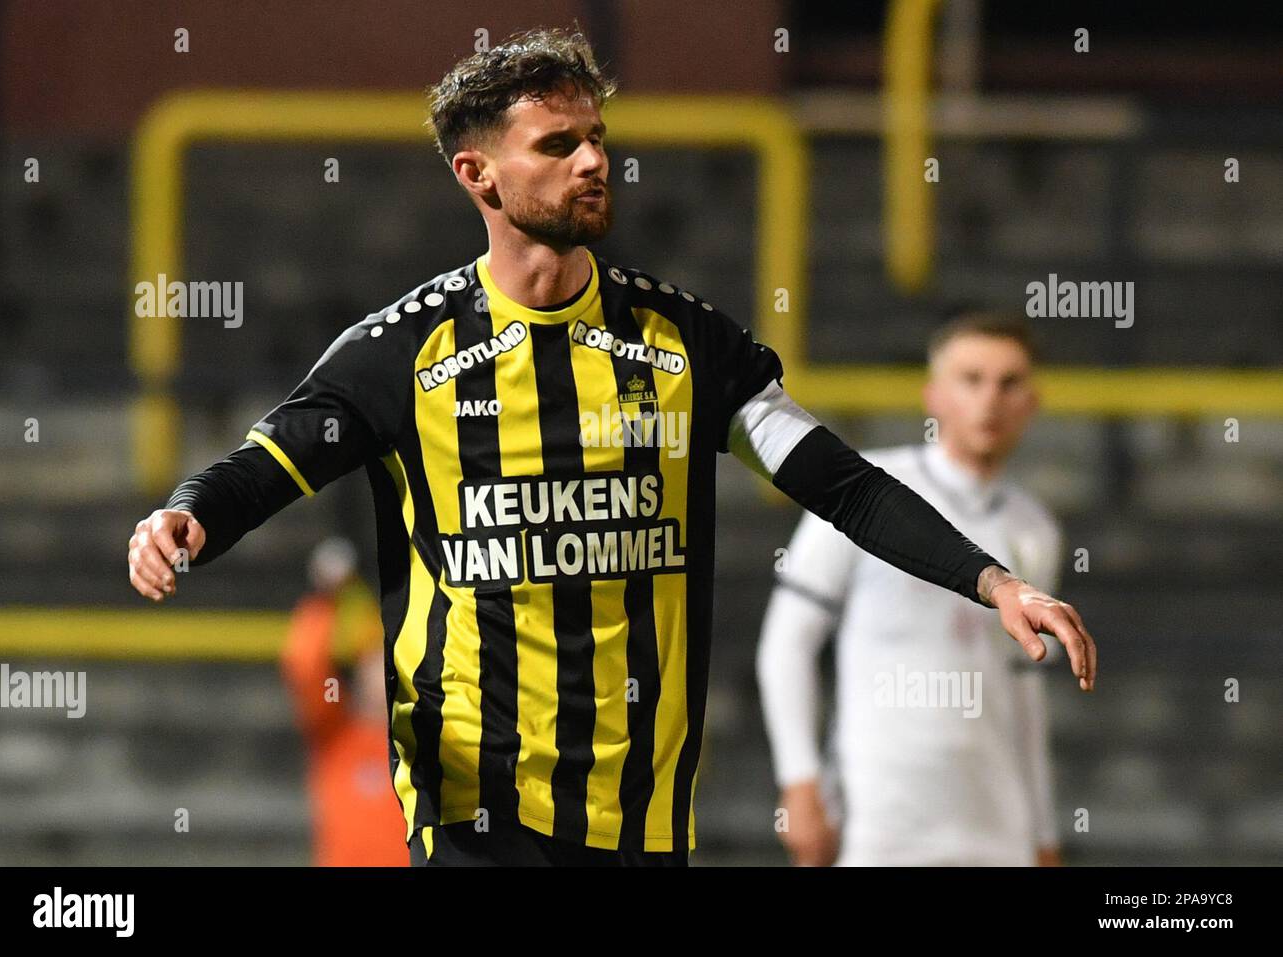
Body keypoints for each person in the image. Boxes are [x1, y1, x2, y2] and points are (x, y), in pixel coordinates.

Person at [126, 27, 1096, 867]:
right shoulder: (399, 356)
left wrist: (993, 582)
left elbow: (840, 483)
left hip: (639, 798)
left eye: (597, 138)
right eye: (558, 145)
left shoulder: (686, 346)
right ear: (479, 175)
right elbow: (272, 461)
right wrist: (187, 513)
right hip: (472, 789)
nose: (593, 162)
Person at [758, 312, 1065, 867]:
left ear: (1032, 402)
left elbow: (1026, 695)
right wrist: (799, 782)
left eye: (1009, 382)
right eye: (971, 379)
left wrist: (1043, 832)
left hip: (996, 832)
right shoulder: (865, 496)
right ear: (933, 395)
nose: (990, 399)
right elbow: (787, 643)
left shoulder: (1033, 530)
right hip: (876, 825)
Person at [281, 537, 408, 866]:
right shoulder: (335, 737)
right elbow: (305, 666)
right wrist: (326, 600)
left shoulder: (423, 741)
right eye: (374, 662)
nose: (383, 674)